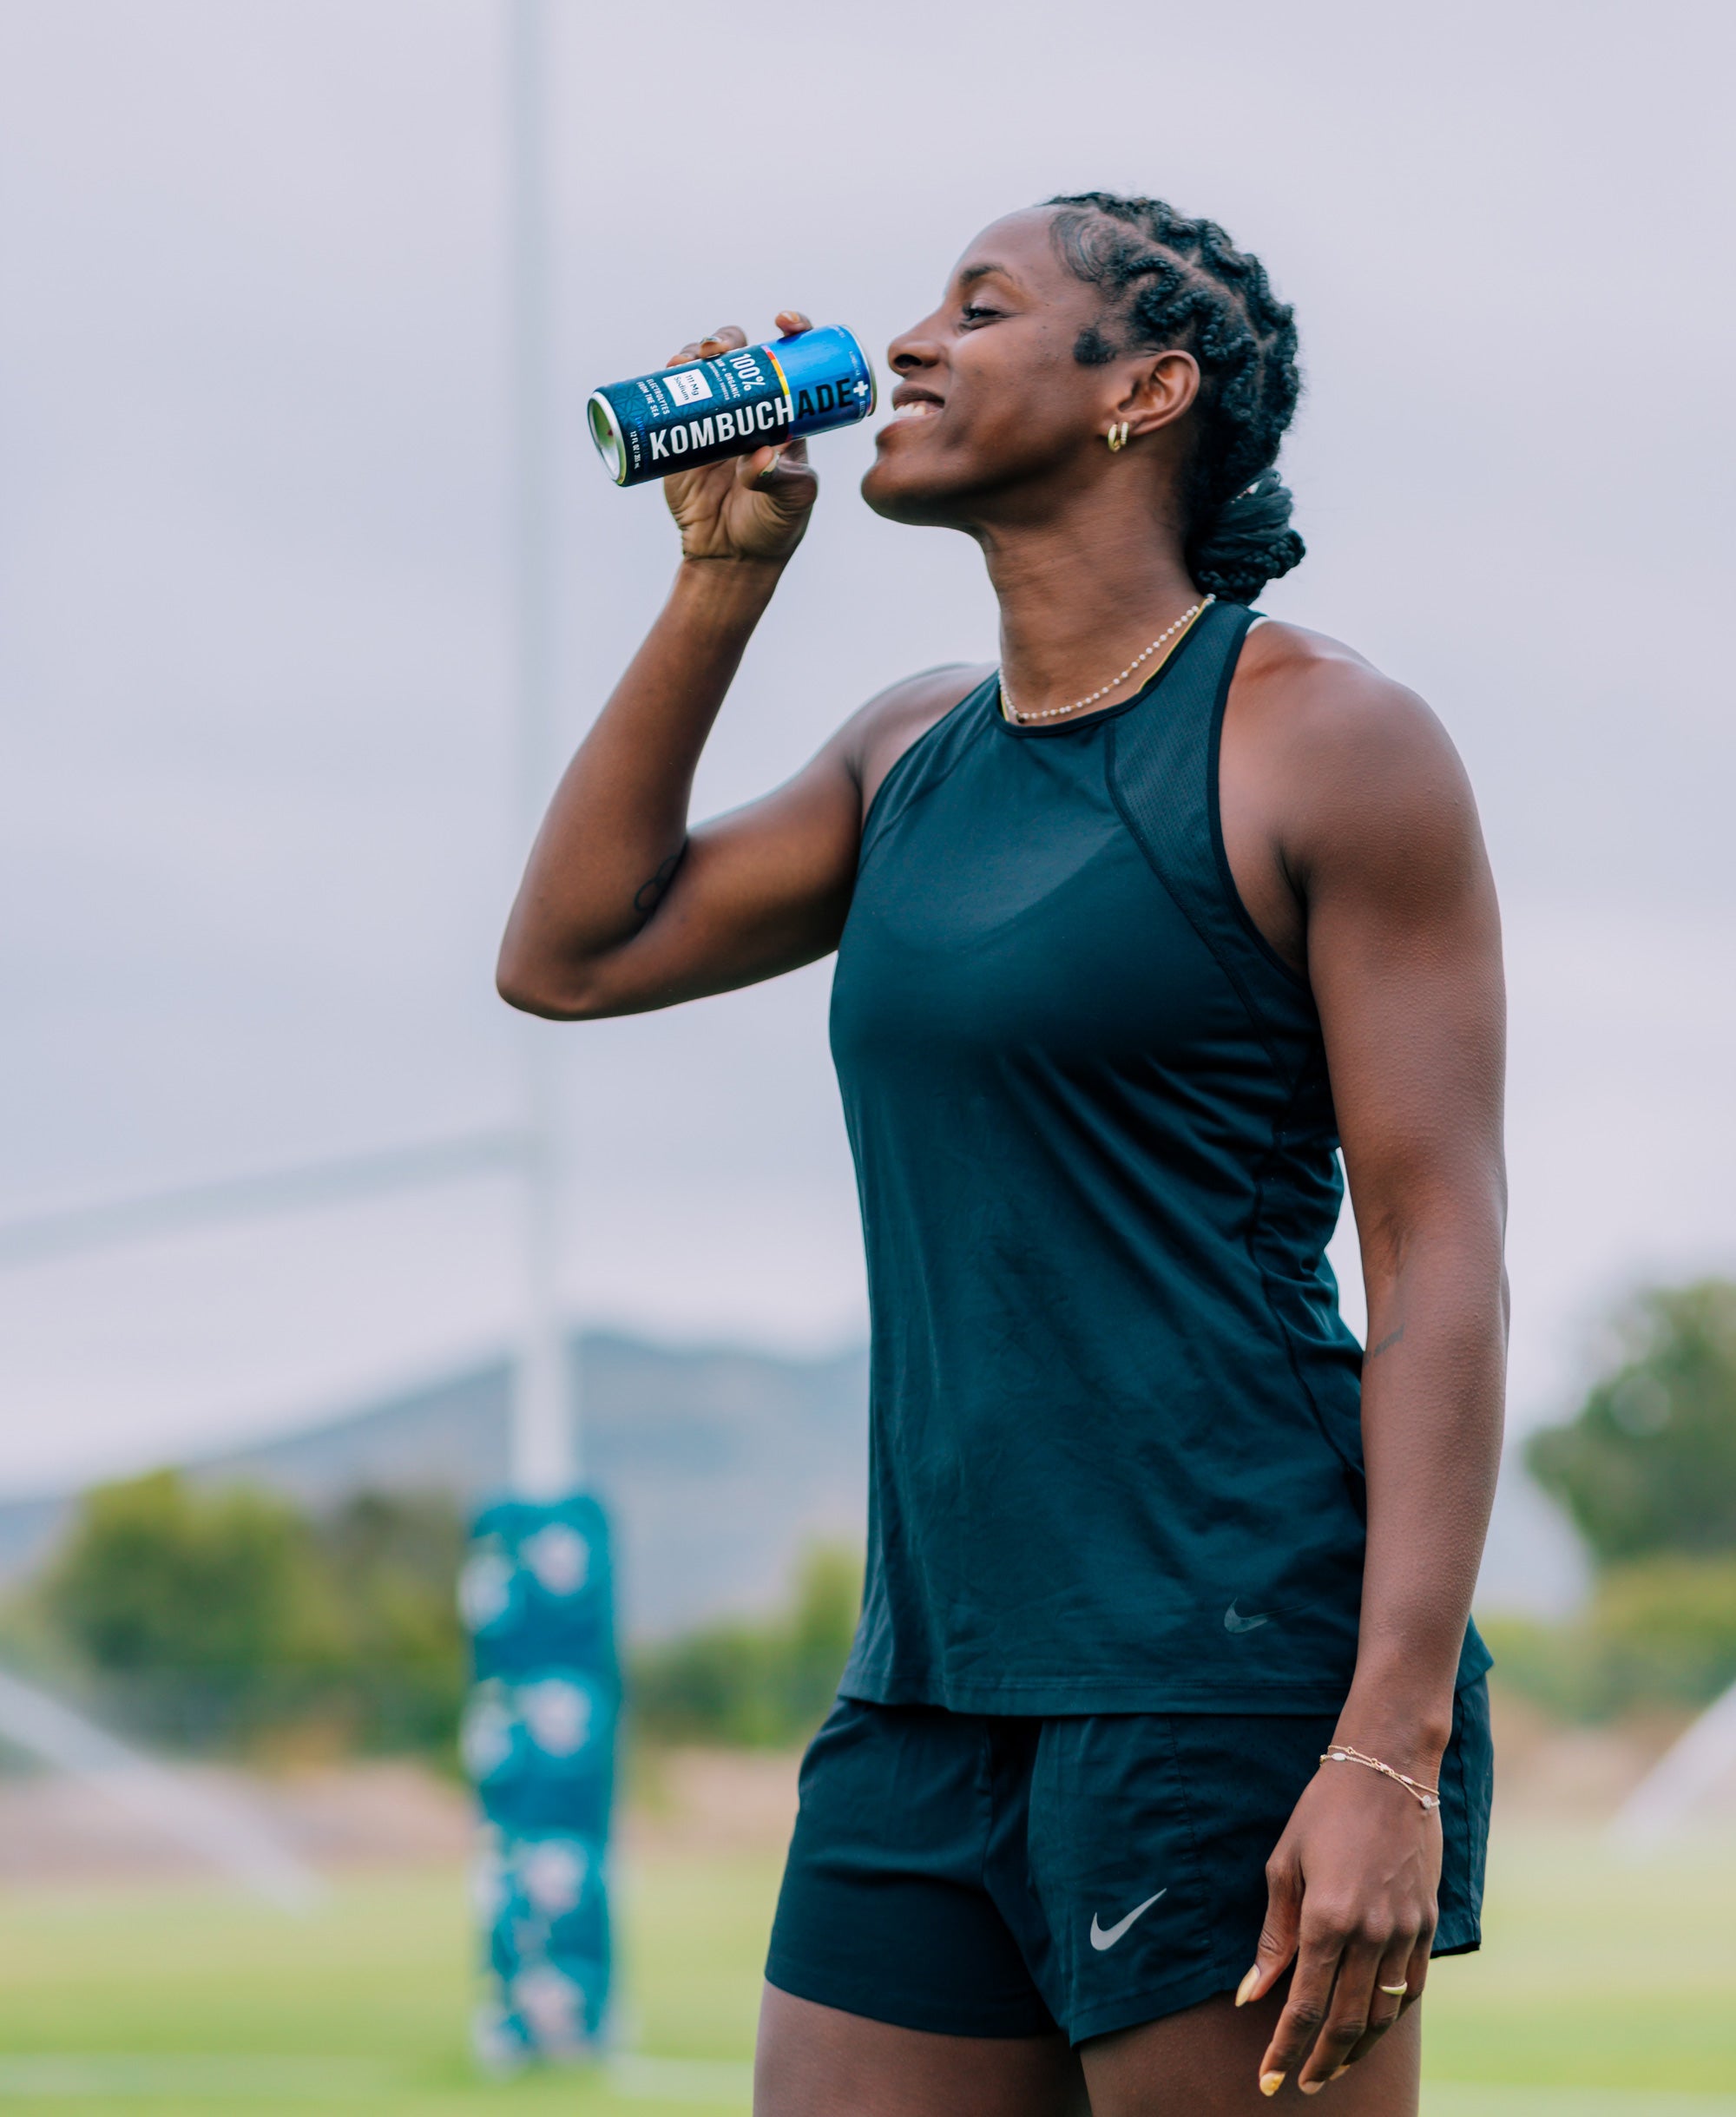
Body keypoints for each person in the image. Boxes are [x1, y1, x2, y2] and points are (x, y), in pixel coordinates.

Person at [497, 193, 1507, 2117]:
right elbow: (570, 954)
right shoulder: (906, 755)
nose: (910, 347)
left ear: (1144, 390)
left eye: (980, 308)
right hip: (926, 1688)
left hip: (1221, 1677)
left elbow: (1440, 1248)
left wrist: (1386, 1744)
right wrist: (721, 583)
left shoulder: (1324, 743)